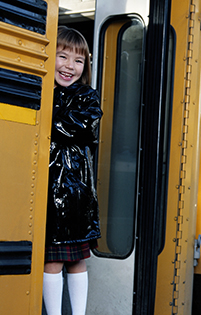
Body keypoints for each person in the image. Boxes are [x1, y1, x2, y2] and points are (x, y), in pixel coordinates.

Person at [43, 26, 103, 315]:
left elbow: (73, 128)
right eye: (62, 56)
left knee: (77, 259)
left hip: (74, 192)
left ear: (86, 66)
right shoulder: (45, 93)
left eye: (78, 60)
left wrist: (45, 114)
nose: (70, 66)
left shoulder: (88, 98)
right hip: (46, 190)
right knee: (51, 260)